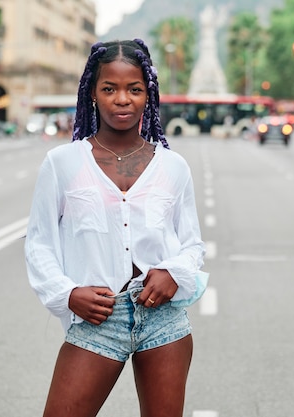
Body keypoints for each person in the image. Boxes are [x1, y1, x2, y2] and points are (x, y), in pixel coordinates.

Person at [24, 39, 206, 417]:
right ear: (93, 92)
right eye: (110, 88)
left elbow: (192, 245)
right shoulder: (62, 164)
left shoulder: (173, 167)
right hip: (98, 319)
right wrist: (68, 292)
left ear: (147, 95)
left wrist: (174, 272)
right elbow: (39, 243)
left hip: (164, 320)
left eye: (134, 89)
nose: (122, 99)